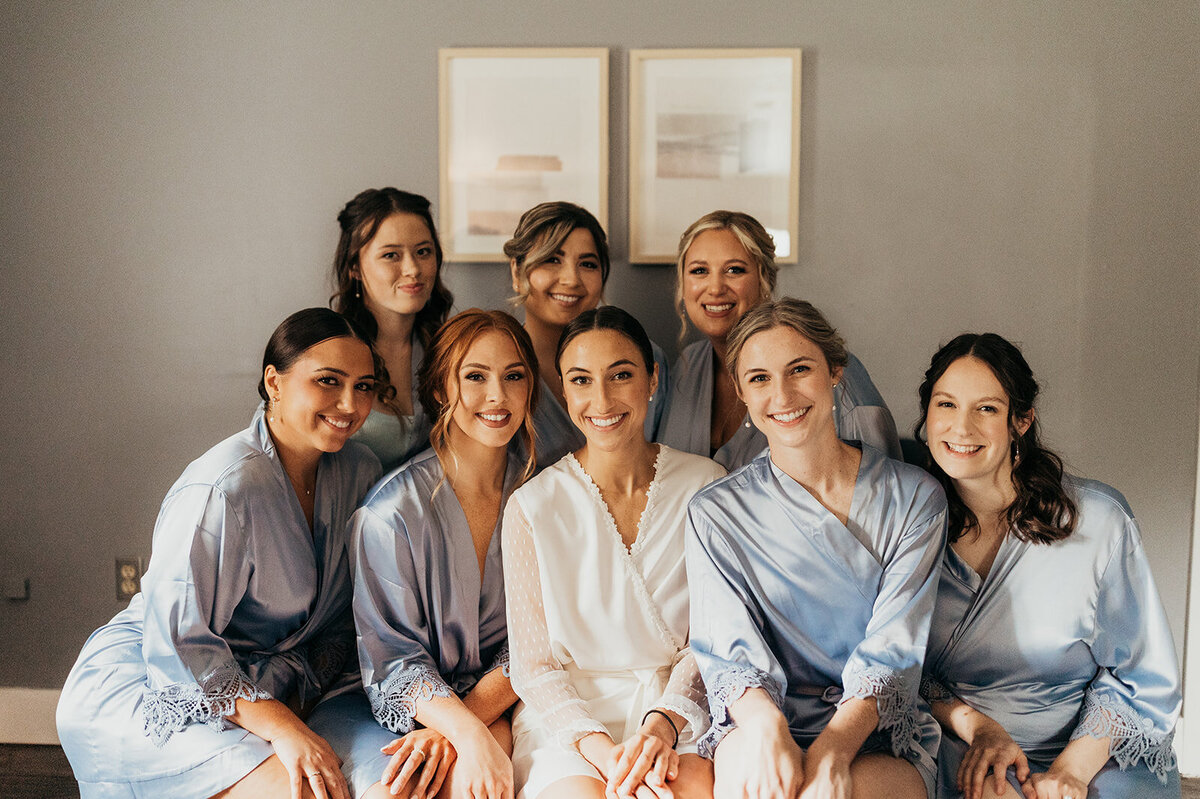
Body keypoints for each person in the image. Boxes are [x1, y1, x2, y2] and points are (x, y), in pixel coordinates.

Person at [56, 308, 384, 799]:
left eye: (364, 386)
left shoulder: (358, 468)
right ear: (274, 383)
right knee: (308, 791)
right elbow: (178, 643)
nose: (348, 403)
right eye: (328, 381)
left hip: (266, 679)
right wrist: (285, 728)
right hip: (157, 678)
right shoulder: (222, 488)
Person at [686, 298, 945, 799]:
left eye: (799, 369)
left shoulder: (915, 498)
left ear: (836, 372)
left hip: (878, 731)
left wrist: (832, 752)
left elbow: (895, 650)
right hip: (760, 719)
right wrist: (768, 730)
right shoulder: (714, 512)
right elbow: (727, 650)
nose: (781, 394)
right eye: (759, 378)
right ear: (741, 391)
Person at [917, 333, 1181, 799]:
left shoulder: (1098, 520)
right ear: (926, 415)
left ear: (1021, 420)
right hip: (964, 741)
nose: (961, 428)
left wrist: (1071, 770)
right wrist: (976, 727)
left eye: (987, 409)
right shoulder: (909, 525)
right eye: (946, 404)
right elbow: (895, 667)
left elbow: (1140, 675)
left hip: (1093, 746)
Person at [307, 309, 539, 799]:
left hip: (501, 696)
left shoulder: (545, 496)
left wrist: (467, 726)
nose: (497, 396)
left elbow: (540, 638)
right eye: (475, 376)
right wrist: (466, 732)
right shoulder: (389, 514)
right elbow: (391, 659)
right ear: (439, 390)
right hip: (384, 705)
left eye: (513, 376)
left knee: (484, 783)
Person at [503, 307, 725, 799]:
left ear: (652, 380)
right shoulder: (531, 506)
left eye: (621, 375)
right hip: (568, 725)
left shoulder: (707, 487)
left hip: (679, 711)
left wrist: (659, 729)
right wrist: (608, 755)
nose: (601, 399)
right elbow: (534, 667)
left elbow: (712, 641)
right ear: (564, 392)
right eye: (581, 380)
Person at [657, 210, 901, 470]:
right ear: (683, 284)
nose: (715, 288)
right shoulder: (686, 366)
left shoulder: (832, 373)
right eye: (699, 271)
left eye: (734, 270)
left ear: (765, 280)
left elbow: (886, 494)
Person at [503, 202, 669, 468]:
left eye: (588, 264)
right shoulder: (499, 371)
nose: (571, 279)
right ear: (516, 270)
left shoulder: (644, 356)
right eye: (552, 260)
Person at [332, 187, 454, 471]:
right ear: (354, 267)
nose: (413, 269)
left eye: (423, 252)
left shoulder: (447, 349)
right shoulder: (326, 351)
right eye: (391, 255)